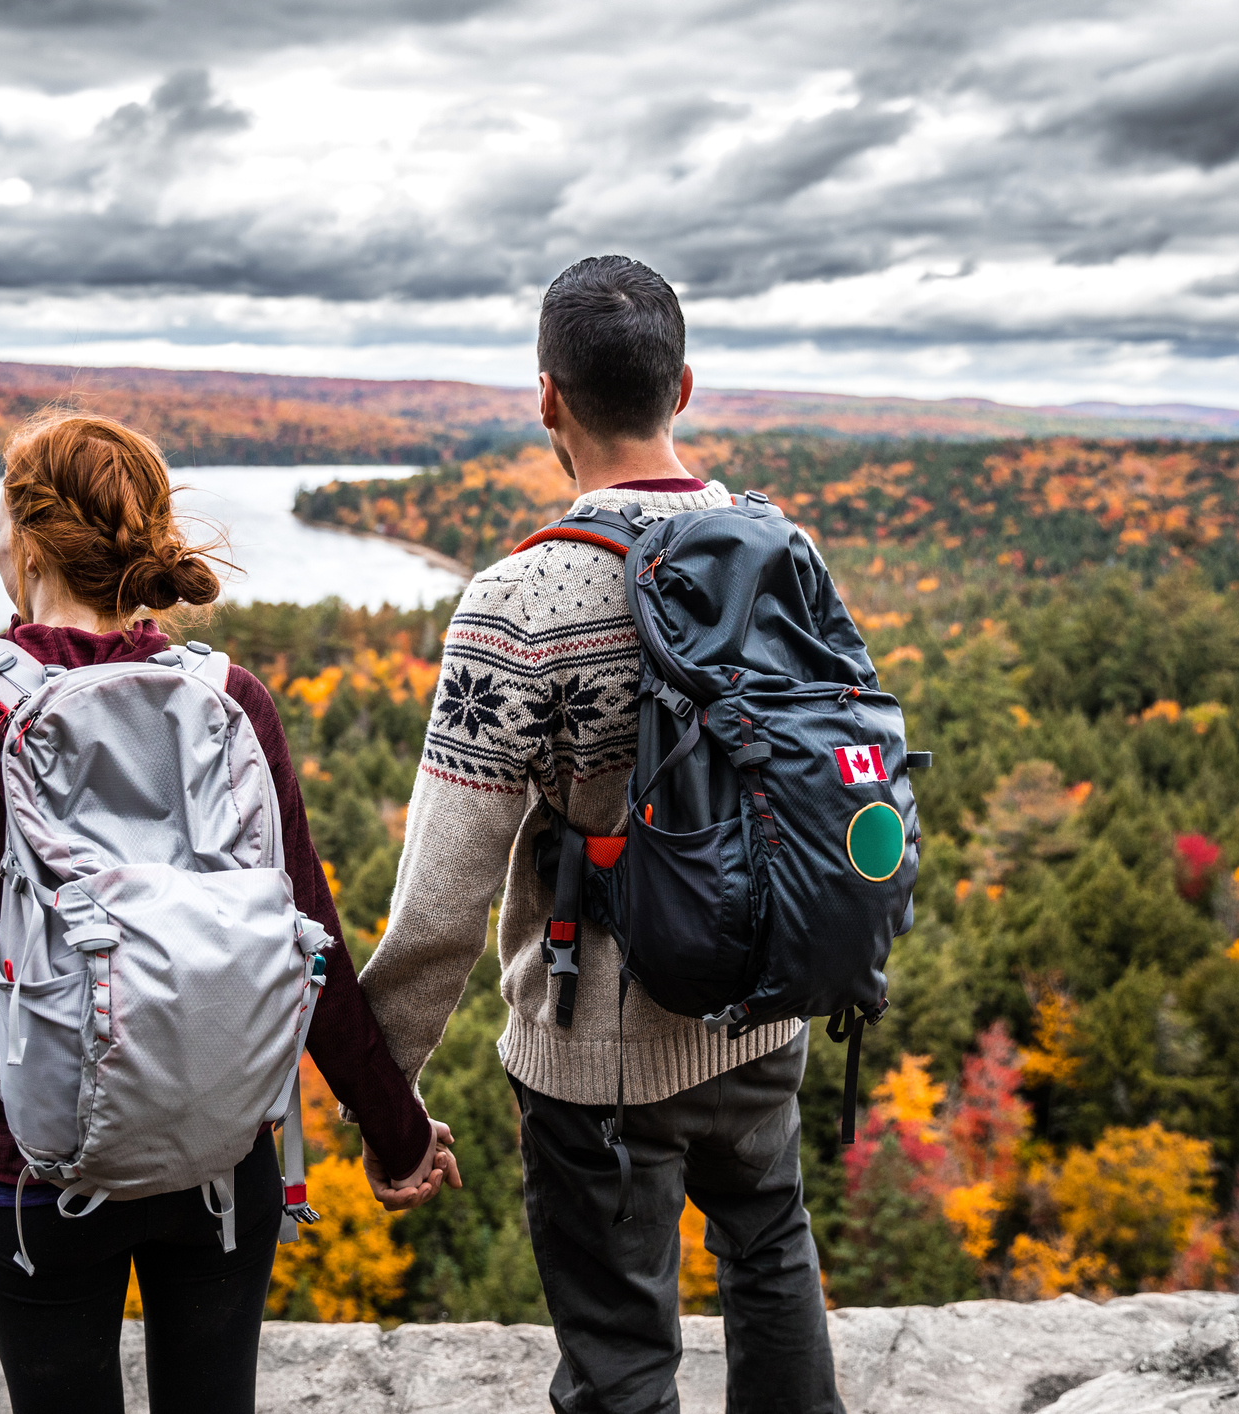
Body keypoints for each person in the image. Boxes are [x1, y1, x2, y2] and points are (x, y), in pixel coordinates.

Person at [0, 411, 457, 1414]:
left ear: (28, 539)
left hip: (33, 1172)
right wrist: (396, 1135)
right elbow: (307, 939)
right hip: (220, 1156)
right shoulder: (230, 697)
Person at [359, 257, 842, 1413]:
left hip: (599, 1045)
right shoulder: (783, 554)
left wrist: (383, 1094)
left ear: (548, 399)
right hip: (765, 997)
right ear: (684, 387)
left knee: (622, 1355)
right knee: (771, 1253)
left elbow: (441, 898)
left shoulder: (519, 604)